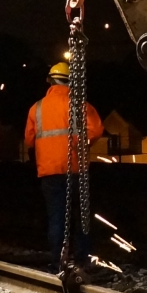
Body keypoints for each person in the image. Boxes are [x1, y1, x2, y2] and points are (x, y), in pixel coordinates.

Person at [25, 61, 104, 271]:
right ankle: (81, 260)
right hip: (77, 170)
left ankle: (57, 262)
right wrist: (81, 144)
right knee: (81, 216)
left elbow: (28, 140)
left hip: (49, 171)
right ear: (71, 81)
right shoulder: (80, 105)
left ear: (50, 81)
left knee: (57, 218)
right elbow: (96, 130)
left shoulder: (37, 108)